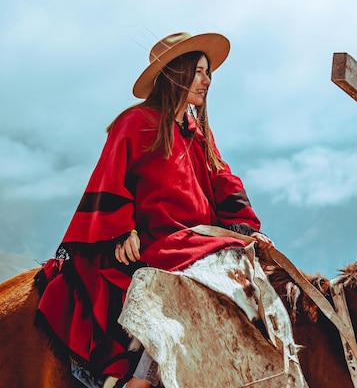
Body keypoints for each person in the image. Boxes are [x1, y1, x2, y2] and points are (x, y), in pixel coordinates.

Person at [35, 32, 275, 388]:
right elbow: (109, 178)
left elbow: (224, 180)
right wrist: (121, 231)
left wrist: (242, 226)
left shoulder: (199, 133)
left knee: (246, 270)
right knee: (193, 279)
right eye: (198, 71)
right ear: (176, 73)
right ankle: (140, 380)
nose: (207, 80)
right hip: (156, 240)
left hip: (194, 238)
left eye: (208, 73)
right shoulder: (134, 122)